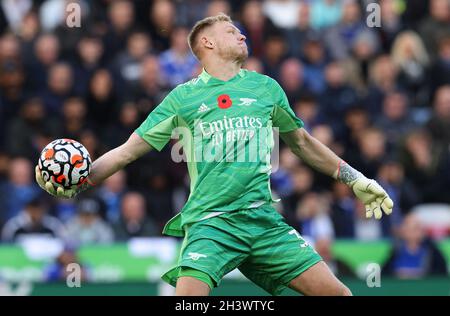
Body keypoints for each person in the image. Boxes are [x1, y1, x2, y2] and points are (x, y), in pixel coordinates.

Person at [35, 14, 394, 296]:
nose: (242, 35)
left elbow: (302, 142)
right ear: (207, 42)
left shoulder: (266, 88)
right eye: (231, 31)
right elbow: (128, 152)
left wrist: (356, 180)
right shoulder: (182, 99)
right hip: (212, 224)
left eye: (241, 31)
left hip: (263, 222)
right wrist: (83, 180)